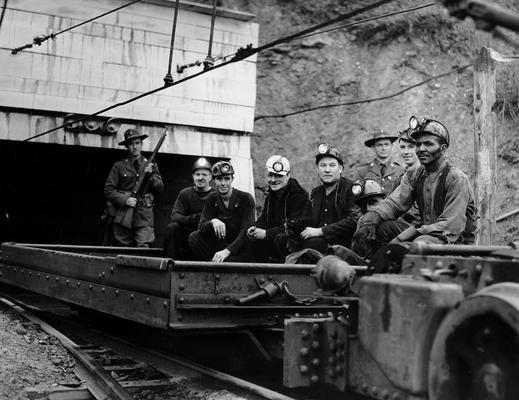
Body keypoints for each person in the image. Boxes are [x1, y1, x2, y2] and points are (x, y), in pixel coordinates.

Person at [352, 116, 477, 258]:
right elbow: (394, 203)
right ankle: (370, 269)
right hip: (424, 235)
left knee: (419, 243)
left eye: (428, 144)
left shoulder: (456, 179)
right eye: (418, 144)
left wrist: (404, 237)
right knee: (372, 227)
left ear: (442, 149)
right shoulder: (415, 174)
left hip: (453, 242)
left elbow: (450, 226)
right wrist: (370, 219)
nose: (421, 149)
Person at [289, 143, 361, 254]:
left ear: (340, 168)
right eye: (323, 165)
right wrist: (292, 225)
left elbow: (355, 220)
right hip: (318, 242)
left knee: (311, 245)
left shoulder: (351, 189)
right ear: (317, 169)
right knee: (283, 240)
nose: (327, 170)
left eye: (332, 165)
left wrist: (321, 231)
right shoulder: (315, 193)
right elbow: (306, 220)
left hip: (343, 246)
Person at [104, 128, 163, 247]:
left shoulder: (151, 165)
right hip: (123, 213)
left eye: (137, 143)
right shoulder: (119, 166)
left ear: (141, 144)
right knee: (122, 247)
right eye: (131, 144)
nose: (134, 147)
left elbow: (160, 188)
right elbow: (108, 190)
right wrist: (125, 200)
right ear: (127, 146)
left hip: (143, 215)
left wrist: (150, 175)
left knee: (144, 248)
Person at [188, 161, 255, 262]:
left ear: (232, 179)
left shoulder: (246, 198)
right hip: (220, 247)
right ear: (214, 180)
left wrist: (227, 251)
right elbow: (201, 227)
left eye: (227, 178)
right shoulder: (212, 198)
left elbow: (246, 231)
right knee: (194, 237)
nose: (223, 183)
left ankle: (219, 264)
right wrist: (212, 222)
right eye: (219, 179)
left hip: (238, 249)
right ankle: (210, 266)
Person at [247, 155, 309, 262]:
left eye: (278, 176)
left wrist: (266, 234)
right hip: (275, 237)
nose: (273, 180)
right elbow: (264, 219)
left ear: (288, 175)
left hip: (294, 242)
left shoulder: (299, 195)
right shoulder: (272, 194)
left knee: (281, 240)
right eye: (270, 175)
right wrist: (254, 228)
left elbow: (294, 226)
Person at [163, 158, 214, 259]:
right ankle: (170, 264)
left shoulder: (215, 196)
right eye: (197, 174)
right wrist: (194, 219)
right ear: (193, 176)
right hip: (186, 236)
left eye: (204, 174)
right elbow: (174, 216)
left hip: (205, 238)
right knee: (172, 227)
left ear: (210, 177)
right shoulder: (185, 194)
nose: (200, 178)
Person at [356, 129, 404, 194]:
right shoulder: (363, 171)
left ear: (391, 146)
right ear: (373, 147)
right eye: (379, 145)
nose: (383, 148)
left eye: (386, 144)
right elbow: (356, 194)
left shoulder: (400, 171)